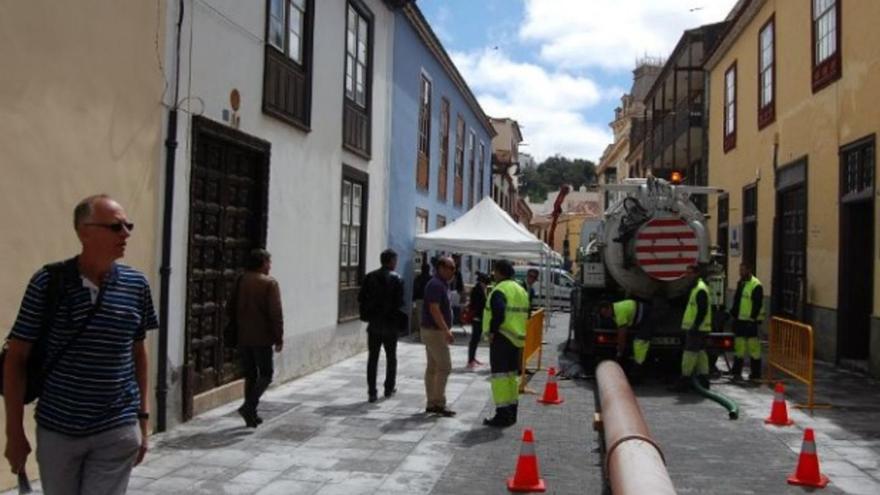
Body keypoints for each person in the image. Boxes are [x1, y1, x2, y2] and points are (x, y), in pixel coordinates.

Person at [4, 194, 157, 495]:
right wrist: (14, 432)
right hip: (58, 426)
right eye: (116, 227)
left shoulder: (136, 285)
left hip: (117, 426)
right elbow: (16, 357)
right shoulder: (47, 283)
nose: (126, 233)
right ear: (84, 231)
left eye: (128, 226)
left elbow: (138, 352)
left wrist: (142, 418)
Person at [234, 248, 284, 428]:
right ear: (262, 263)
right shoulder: (269, 283)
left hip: (243, 334)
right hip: (262, 336)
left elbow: (230, 305)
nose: (270, 266)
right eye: (268, 262)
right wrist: (279, 337)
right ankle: (248, 406)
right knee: (266, 374)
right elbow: (275, 313)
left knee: (250, 375)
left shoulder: (241, 279)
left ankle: (251, 414)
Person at [482, 260, 530, 427]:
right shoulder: (521, 290)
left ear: (500, 272)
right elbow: (527, 314)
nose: (493, 275)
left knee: (500, 377)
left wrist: (493, 332)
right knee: (511, 377)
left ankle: (502, 415)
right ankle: (512, 412)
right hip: (517, 340)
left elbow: (499, 313)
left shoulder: (500, 290)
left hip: (502, 338)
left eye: (494, 271)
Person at [358, 249, 404, 402]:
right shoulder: (397, 279)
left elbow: (361, 298)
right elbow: (400, 303)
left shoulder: (369, 277)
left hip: (375, 324)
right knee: (391, 358)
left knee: (373, 358)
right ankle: (389, 388)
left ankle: (372, 391)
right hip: (390, 325)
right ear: (391, 261)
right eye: (395, 260)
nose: (396, 263)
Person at [421, 256, 457, 417]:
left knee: (433, 368)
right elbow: (434, 309)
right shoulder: (436, 285)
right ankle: (438, 403)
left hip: (433, 331)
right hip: (434, 332)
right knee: (445, 366)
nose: (453, 272)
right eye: (451, 268)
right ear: (441, 268)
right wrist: (446, 330)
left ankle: (431, 403)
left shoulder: (441, 284)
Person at [673, 264, 713, 391]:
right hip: (700, 328)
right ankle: (703, 379)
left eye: (689, 273)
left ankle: (684, 380)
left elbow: (702, 310)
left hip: (697, 328)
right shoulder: (697, 287)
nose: (687, 275)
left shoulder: (700, 289)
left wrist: (695, 325)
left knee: (689, 353)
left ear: (696, 274)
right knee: (701, 353)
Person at [598, 299, 652, 380]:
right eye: (603, 315)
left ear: (609, 308)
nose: (606, 316)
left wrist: (619, 352)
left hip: (648, 317)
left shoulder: (620, 313)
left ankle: (637, 372)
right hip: (641, 315)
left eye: (606, 313)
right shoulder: (615, 309)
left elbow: (622, 335)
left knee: (639, 343)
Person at [728, 262, 765, 381]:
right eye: (740, 270)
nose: (740, 272)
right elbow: (737, 301)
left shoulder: (756, 285)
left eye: (742, 270)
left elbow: (757, 304)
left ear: (749, 270)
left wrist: (752, 319)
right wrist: (732, 314)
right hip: (740, 320)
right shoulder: (741, 283)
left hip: (750, 322)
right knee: (739, 346)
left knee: (753, 347)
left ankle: (755, 373)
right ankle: (736, 370)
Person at [466, 272, 490, 369]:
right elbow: (479, 305)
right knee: (474, 339)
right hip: (477, 318)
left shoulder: (479, 289)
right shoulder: (478, 290)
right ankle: (471, 360)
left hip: (479, 317)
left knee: (476, 339)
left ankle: (472, 358)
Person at [411, 260, 431, 335]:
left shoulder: (418, 278)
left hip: (419, 299)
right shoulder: (431, 279)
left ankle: (421, 330)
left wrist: (413, 298)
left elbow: (415, 288)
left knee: (420, 315)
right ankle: (426, 329)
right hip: (429, 300)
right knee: (428, 315)